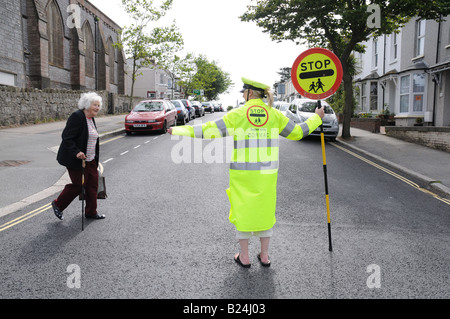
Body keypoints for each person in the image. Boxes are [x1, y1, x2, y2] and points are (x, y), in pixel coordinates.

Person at [168, 77, 324, 268]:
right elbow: (298, 132)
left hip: (242, 174)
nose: (242, 95)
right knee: (265, 211)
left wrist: (179, 130)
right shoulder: (274, 114)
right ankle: (265, 256)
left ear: (250, 93)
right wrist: (317, 117)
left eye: (243, 92)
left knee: (243, 211)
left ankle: (244, 257)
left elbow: (209, 130)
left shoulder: (238, 114)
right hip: (267, 174)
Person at [51, 92, 106, 221]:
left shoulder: (91, 118)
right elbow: (67, 137)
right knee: (79, 184)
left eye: (99, 105)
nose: (97, 108)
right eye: (94, 105)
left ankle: (91, 212)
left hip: (91, 160)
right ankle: (58, 204)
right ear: (87, 105)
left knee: (93, 185)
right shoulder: (77, 117)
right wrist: (76, 152)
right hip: (77, 160)